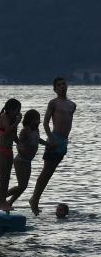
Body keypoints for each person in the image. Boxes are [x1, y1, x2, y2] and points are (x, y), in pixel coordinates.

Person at [29, 77, 76, 215]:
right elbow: (45, 123)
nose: (62, 87)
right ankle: (34, 200)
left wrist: (62, 142)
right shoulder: (53, 103)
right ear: (55, 89)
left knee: (50, 173)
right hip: (54, 139)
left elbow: (68, 123)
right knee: (45, 171)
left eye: (64, 84)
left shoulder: (72, 105)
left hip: (63, 142)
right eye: (59, 85)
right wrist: (50, 138)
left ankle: (35, 199)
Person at [7, 109, 50, 206]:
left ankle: (10, 202)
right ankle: (2, 197)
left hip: (28, 161)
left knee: (24, 186)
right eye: (36, 120)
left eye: (39, 120)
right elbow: (19, 143)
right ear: (29, 120)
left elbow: (38, 139)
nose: (38, 122)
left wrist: (47, 144)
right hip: (20, 160)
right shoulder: (25, 131)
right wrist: (21, 149)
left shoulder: (36, 130)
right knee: (22, 185)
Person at [0, 98, 22, 211]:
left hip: (9, 151)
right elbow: (7, 132)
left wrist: (21, 145)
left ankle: (1, 202)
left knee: (7, 178)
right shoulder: (4, 117)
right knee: (3, 177)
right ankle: (1, 202)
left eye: (19, 110)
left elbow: (13, 136)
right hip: (0, 151)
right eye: (17, 110)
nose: (19, 112)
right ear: (10, 109)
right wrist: (17, 122)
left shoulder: (13, 119)